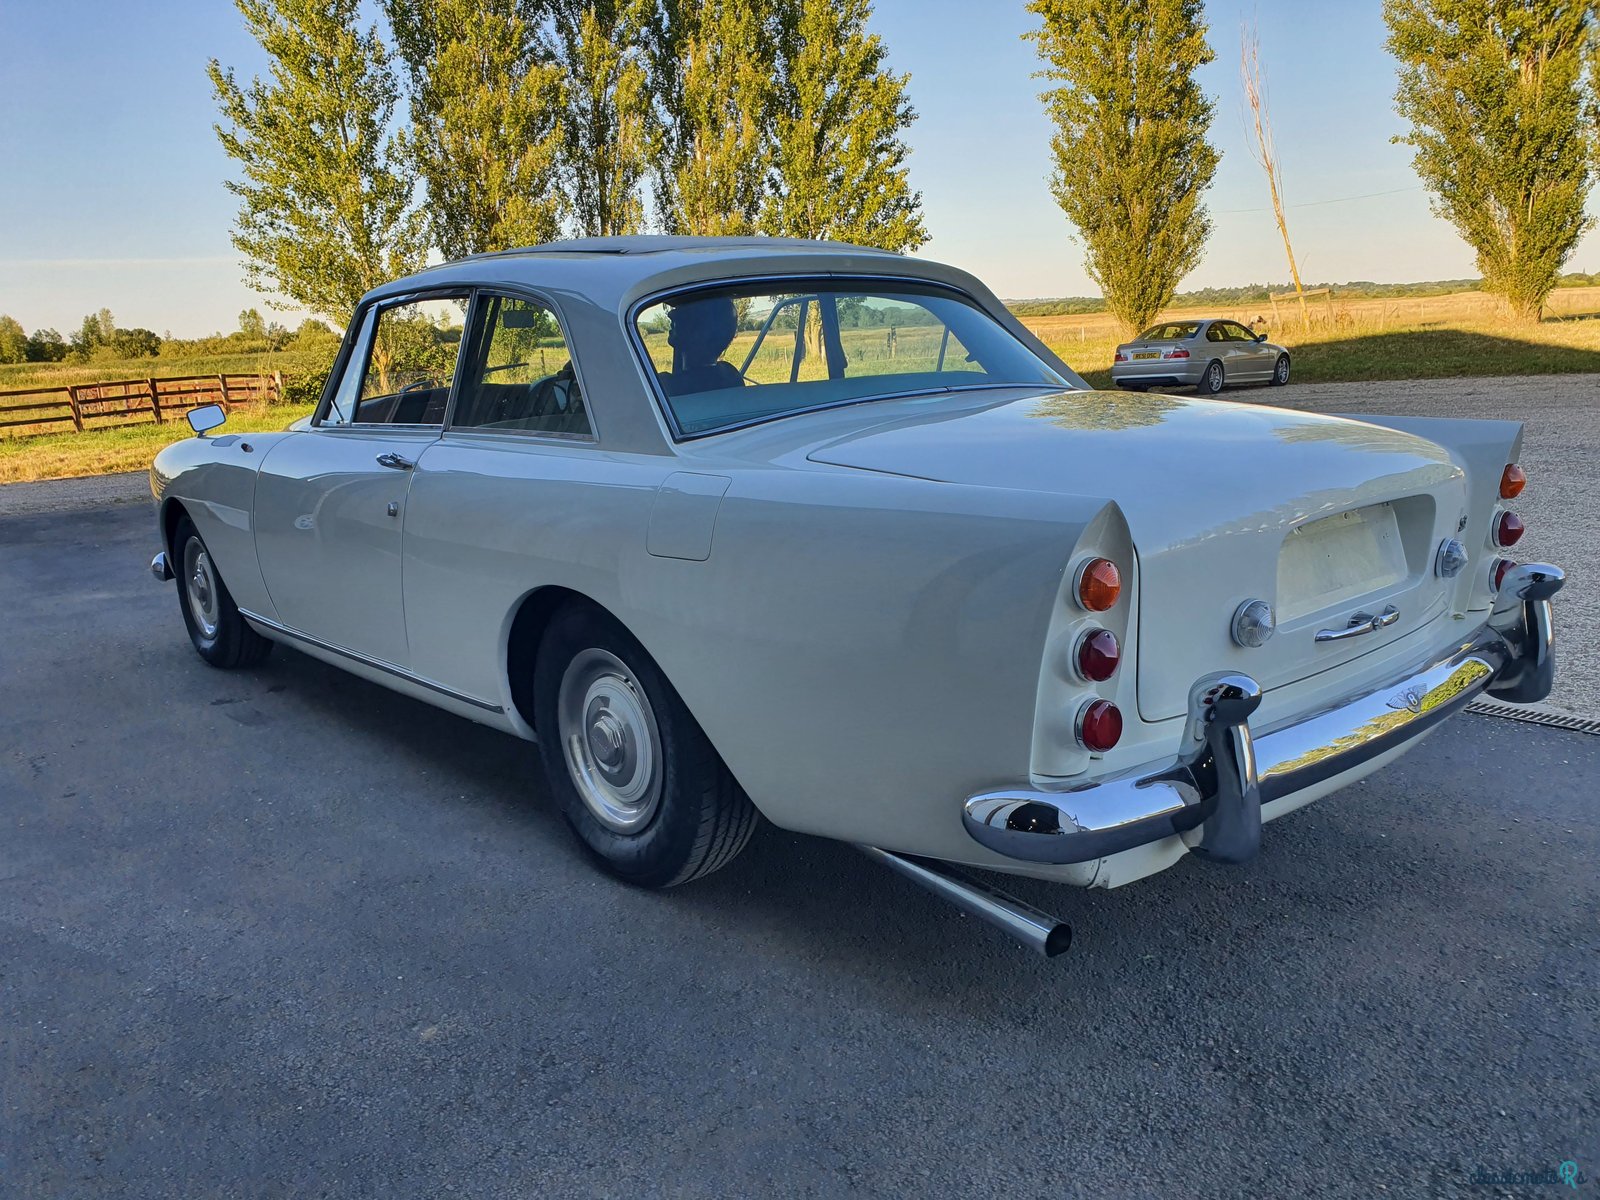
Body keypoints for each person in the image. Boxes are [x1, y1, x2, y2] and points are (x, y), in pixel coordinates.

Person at [659, 297, 743, 396]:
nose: (671, 315)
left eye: (684, 312)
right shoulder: (731, 376)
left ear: (702, 332)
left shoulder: (665, 386)